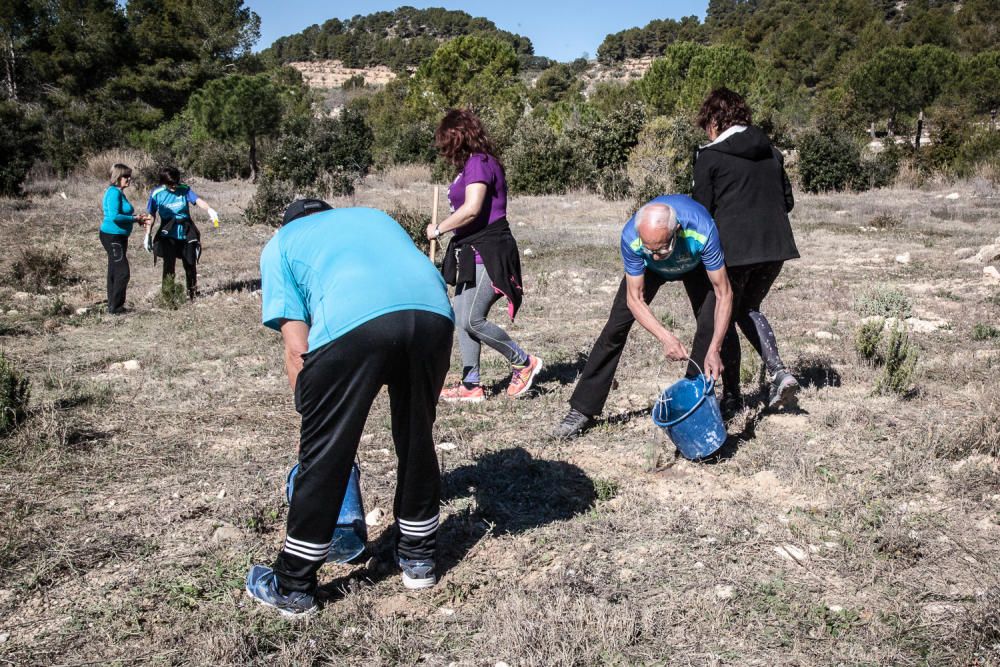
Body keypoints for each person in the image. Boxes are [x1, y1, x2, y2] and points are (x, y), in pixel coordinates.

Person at [245, 199, 455, 616]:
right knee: (416, 436)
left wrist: (317, 425)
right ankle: (419, 558)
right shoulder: (372, 216)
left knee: (326, 455)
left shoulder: (280, 244)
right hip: (433, 313)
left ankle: (293, 585)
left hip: (357, 322)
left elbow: (297, 348)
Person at [553, 196, 733, 439]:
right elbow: (634, 300)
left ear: (677, 230)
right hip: (650, 274)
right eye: (649, 249)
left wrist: (715, 347)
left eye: (661, 248)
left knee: (709, 325)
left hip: (694, 266)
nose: (656, 255)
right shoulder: (632, 237)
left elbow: (724, 293)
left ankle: (695, 398)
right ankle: (582, 409)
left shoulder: (702, 229)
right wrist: (665, 337)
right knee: (614, 330)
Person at [693, 88, 800, 414]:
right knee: (746, 307)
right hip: (776, 247)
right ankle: (779, 372)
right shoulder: (772, 151)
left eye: (706, 123)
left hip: (734, 252)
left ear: (715, 119)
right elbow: (788, 202)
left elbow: (701, 212)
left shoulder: (709, 156)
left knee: (723, 315)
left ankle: (732, 396)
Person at [425, 109, 542, 403]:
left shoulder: (479, 163)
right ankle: (471, 385)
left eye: (446, 143)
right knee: (461, 319)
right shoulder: (470, 167)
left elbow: (473, 208)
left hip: (488, 252)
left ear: (458, 138)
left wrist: (438, 229)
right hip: (468, 253)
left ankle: (523, 362)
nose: (444, 151)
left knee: (473, 319)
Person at [145, 166, 218, 300]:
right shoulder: (157, 193)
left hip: (186, 229)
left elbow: (197, 200)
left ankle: (192, 293)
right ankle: (168, 296)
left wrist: (209, 210)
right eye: (170, 184)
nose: (174, 187)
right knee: (169, 265)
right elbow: (151, 214)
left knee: (190, 263)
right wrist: (148, 234)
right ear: (164, 182)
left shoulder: (184, 189)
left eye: (176, 183)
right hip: (168, 231)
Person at [100, 163, 150, 314]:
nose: (128, 179)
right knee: (123, 272)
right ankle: (116, 308)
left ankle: (113, 305)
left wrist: (135, 219)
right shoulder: (114, 193)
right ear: (117, 177)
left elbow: (122, 215)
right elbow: (113, 216)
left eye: (129, 176)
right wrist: (135, 218)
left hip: (119, 236)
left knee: (114, 270)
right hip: (112, 236)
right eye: (125, 176)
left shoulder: (118, 192)